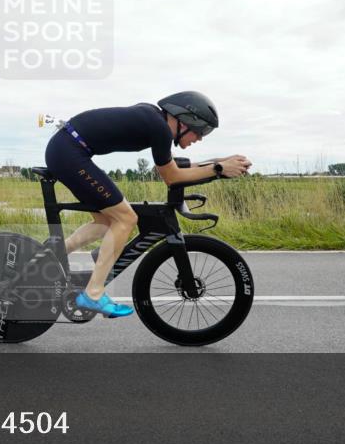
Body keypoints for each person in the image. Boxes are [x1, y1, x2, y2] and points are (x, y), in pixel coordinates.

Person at [43, 91, 252, 318]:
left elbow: (174, 167)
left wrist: (220, 162)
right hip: (70, 153)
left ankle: (48, 255)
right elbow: (172, 177)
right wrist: (218, 169)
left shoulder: (156, 122)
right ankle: (93, 294)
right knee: (126, 218)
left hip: (66, 150)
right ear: (185, 121)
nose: (200, 138)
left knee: (107, 222)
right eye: (201, 131)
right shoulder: (159, 128)